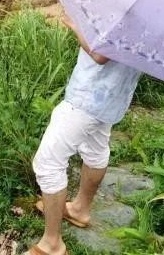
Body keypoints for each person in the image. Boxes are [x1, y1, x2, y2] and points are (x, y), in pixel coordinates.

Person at [26, 16, 143, 255]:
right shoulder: (155, 12)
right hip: (114, 96)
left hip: (88, 97)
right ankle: (80, 208)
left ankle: (52, 244)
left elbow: (101, 54)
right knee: (96, 146)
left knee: (47, 163)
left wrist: (77, 27)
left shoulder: (128, 6)